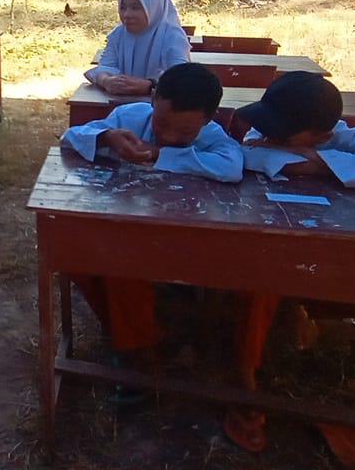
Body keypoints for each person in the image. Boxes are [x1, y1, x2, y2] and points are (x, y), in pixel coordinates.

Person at [224, 72, 355, 459]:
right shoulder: (268, 131)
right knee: (263, 274)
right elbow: (250, 153)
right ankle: (246, 378)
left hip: (330, 249)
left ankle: (301, 316)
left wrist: (311, 161)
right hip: (273, 240)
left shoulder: (346, 136)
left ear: (321, 136)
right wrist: (320, 164)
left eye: (282, 133)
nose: (267, 134)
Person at [61, 63, 243, 403]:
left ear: (208, 118)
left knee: (121, 266)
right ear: (154, 98)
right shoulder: (131, 116)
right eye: (161, 124)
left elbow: (232, 167)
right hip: (128, 225)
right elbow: (71, 138)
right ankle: (137, 334)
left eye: (184, 132)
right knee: (75, 255)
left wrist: (162, 153)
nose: (169, 135)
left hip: (185, 236)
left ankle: (134, 351)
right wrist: (107, 137)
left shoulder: (213, 135)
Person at [84, 0, 191, 96]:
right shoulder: (119, 33)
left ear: (154, 7)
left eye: (135, 8)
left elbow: (181, 79)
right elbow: (105, 66)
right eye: (123, 7)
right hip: (120, 103)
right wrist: (106, 81)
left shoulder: (172, 36)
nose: (126, 14)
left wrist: (150, 86)